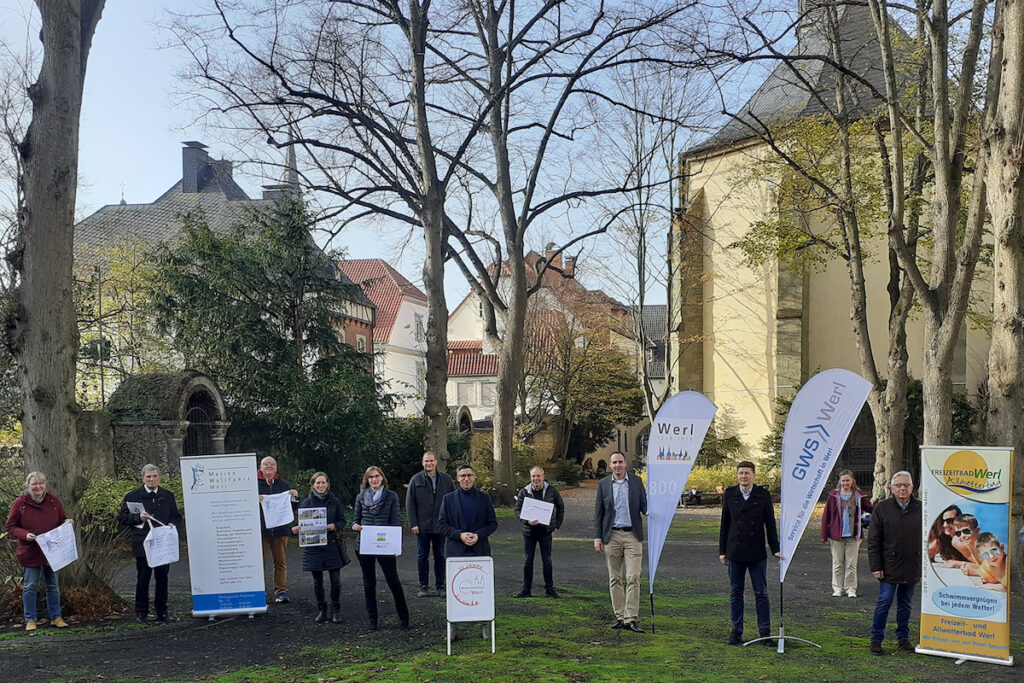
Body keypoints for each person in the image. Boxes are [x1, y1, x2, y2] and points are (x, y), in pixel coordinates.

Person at [718, 460, 780, 646]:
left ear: (753, 475)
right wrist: (722, 551)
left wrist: (775, 548)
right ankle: (736, 631)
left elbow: (770, 524)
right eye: (741, 473)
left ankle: (765, 633)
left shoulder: (763, 495)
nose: (743, 476)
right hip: (735, 551)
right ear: (737, 476)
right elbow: (725, 524)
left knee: (761, 593)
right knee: (736, 592)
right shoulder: (730, 494)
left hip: (756, 552)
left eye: (747, 473)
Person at [117, 464, 183, 623]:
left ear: (159, 478)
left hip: (162, 543)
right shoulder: (132, 496)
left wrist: (173, 524)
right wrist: (137, 518)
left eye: (154, 476)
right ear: (142, 478)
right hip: (143, 542)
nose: (151, 479)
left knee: (162, 577)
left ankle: (162, 611)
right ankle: (141, 612)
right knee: (143, 577)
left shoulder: (167, 495)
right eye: (148, 477)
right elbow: (122, 518)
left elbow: (176, 516)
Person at [6, 472, 70, 631]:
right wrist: (25, 535)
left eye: (41, 483)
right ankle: (30, 620)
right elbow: (11, 527)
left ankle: (56, 617)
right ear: (28, 485)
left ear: (45, 485)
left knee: (53, 586)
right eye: (34, 484)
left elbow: (62, 520)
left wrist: (67, 522)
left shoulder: (54, 501)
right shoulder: (20, 503)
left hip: (52, 551)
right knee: (30, 586)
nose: (38, 487)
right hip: (30, 551)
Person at [867, 470, 921, 655]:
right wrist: (876, 566)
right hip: (888, 565)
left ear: (912, 487)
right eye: (898, 485)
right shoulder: (882, 508)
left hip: (911, 564)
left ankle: (903, 638)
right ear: (891, 488)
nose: (902, 489)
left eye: (906, 485)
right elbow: (873, 540)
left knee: (905, 604)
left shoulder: (921, 508)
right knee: (884, 602)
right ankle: (876, 639)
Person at [593, 451, 647, 633]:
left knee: (633, 576)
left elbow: (644, 505)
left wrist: (651, 510)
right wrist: (597, 537)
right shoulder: (603, 485)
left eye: (620, 462)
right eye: (614, 462)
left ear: (625, 464)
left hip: (632, 535)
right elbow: (598, 513)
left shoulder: (636, 482)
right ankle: (620, 616)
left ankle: (631, 617)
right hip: (612, 535)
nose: (617, 465)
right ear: (610, 465)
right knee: (614, 577)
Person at [352, 466, 410, 630]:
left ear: (382, 478)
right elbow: (356, 520)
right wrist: (355, 526)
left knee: (393, 581)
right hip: (365, 545)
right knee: (369, 584)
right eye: (370, 477)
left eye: (376, 476)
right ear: (367, 480)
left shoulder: (391, 496)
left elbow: (396, 521)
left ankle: (404, 618)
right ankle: (373, 620)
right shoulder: (361, 497)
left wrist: (396, 546)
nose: (374, 480)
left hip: (386, 546)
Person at [291, 472, 346, 624]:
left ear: (327, 484)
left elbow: (342, 521)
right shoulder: (306, 504)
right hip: (313, 547)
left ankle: (336, 610)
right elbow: (303, 526)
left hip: (331, 545)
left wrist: (335, 525)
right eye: (318, 483)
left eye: (323, 482)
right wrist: (297, 530)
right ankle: (322, 610)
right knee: (317, 582)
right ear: (313, 485)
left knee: (335, 581)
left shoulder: (334, 502)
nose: (321, 485)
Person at [405, 451, 455, 597]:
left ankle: (440, 586)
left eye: (431, 461)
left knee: (440, 555)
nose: (429, 463)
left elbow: (453, 501)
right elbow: (410, 504)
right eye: (426, 461)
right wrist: (413, 523)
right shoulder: (416, 480)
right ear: (422, 463)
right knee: (422, 556)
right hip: (422, 526)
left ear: (436, 462)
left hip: (441, 525)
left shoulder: (446, 479)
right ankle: (423, 586)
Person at [514, 465, 565, 598]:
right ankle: (526, 589)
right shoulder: (524, 491)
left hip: (545, 532)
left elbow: (560, 507)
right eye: (533, 476)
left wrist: (557, 525)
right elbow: (517, 510)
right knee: (527, 560)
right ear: (530, 477)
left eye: (538, 476)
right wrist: (525, 520)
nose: (536, 478)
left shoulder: (551, 490)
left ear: (543, 477)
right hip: (529, 532)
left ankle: (549, 589)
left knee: (547, 560)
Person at [820, 470, 873, 598]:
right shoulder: (833, 496)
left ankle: (850, 588)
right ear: (840, 482)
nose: (845, 483)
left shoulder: (858, 496)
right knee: (837, 563)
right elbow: (826, 516)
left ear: (852, 481)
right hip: (836, 536)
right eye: (843, 481)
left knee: (851, 564)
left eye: (847, 480)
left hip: (853, 536)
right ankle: (838, 588)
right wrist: (824, 535)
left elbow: (871, 508)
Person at [257, 456, 298, 604]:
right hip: (260, 530)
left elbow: (292, 509)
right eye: (266, 464)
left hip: (280, 530)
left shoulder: (284, 485)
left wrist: (294, 497)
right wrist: (254, 500)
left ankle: (280, 591)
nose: (269, 466)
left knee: (280, 562)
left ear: (276, 468)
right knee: (259, 562)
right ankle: (258, 591)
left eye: (272, 464)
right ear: (260, 467)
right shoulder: (253, 485)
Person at [437, 464, 498, 558]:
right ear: (458, 478)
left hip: (480, 551)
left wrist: (478, 535)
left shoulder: (484, 498)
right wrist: (459, 535)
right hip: (455, 551)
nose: (466, 479)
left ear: (474, 477)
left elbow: (493, 523)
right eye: (463, 476)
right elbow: (442, 524)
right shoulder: (448, 499)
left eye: (469, 475)